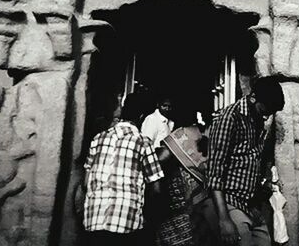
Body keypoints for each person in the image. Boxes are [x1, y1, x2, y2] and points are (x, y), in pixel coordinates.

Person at [206, 77, 285, 246]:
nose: (266, 116)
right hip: (230, 202)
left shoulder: (257, 120)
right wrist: (224, 220)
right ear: (253, 97)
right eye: (264, 110)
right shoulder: (229, 118)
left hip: (251, 205)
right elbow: (214, 173)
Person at [83, 93, 164, 246]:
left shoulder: (98, 138)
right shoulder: (143, 142)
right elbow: (157, 188)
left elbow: (86, 182)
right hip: (126, 220)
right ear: (141, 116)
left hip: (93, 219)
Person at [154, 106, 213, 246]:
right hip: (196, 198)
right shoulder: (207, 134)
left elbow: (160, 159)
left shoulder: (183, 134)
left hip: (182, 202)